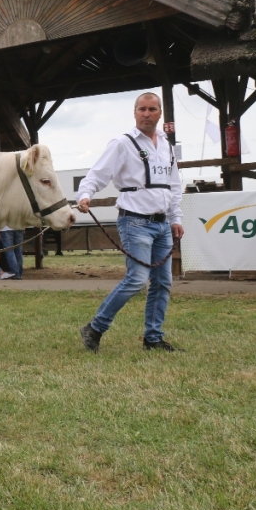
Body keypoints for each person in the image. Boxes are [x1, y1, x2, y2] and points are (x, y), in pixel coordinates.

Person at [77, 92, 184, 353]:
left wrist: (175, 218)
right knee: (137, 279)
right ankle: (95, 327)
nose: (147, 114)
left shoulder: (167, 147)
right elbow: (98, 172)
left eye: (152, 109)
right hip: (134, 221)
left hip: (162, 225)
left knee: (163, 282)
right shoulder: (122, 144)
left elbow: (174, 185)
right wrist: (85, 194)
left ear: (160, 113)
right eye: (142, 109)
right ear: (134, 113)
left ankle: (153, 337)